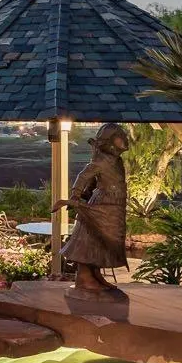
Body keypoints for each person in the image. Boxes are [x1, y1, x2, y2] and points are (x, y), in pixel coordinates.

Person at [57, 122, 131, 294]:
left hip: (114, 206)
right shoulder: (102, 161)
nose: (125, 139)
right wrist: (76, 195)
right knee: (91, 238)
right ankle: (84, 277)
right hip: (101, 204)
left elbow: (92, 181)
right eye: (121, 136)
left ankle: (95, 273)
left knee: (104, 240)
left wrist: (87, 192)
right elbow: (84, 176)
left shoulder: (116, 161)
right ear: (110, 141)